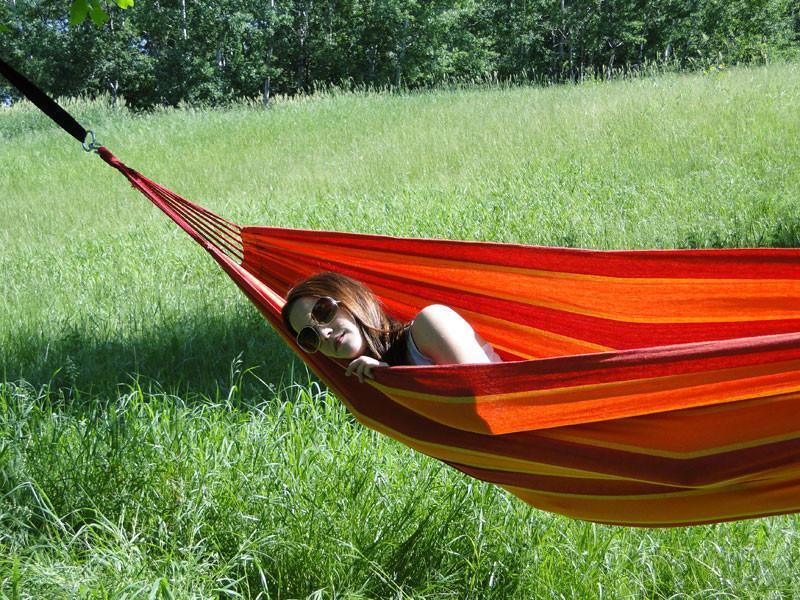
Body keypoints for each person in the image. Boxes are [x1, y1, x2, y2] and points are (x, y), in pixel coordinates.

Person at [281, 271, 502, 381]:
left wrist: (398, 378)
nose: (324, 333)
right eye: (310, 336)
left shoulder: (431, 323)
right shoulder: (366, 381)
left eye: (323, 312)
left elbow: (487, 396)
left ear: (350, 299)